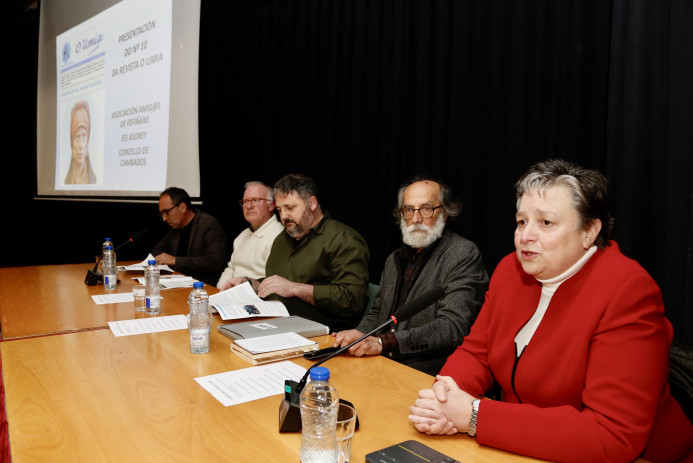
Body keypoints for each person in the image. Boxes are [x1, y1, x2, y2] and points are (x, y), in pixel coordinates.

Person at [408, 159, 693, 462]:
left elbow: (613, 435)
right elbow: (478, 352)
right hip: (520, 448)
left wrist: (475, 416)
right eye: (521, 221)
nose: (526, 235)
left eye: (546, 223)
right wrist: (446, 396)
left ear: (589, 232)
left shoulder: (628, 292)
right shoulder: (510, 269)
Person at [332, 178, 489, 375]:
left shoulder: (462, 254)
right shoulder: (394, 259)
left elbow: (451, 328)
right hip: (380, 365)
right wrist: (360, 333)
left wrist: (383, 342)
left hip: (428, 374)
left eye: (426, 209)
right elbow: (379, 312)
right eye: (409, 210)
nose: (415, 219)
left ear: (445, 213)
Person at [224, 174, 370, 331]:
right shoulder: (283, 239)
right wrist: (250, 283)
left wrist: (296, 288)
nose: (284, 216)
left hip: (324, 332)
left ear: (312, 203)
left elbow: (352, 299)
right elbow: (279, 283)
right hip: (275, 322)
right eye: (280, 210)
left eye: (290, 208)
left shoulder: (343, 238)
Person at [151, 187, 228, 286]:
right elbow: (157, 251)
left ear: (182, 207)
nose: (164, 219)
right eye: (162, 214)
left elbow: (215, 261)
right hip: (177, 282)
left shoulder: (208, 224)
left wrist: (175, 260)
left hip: (202, 286)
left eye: (166, 212)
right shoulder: (175, 227)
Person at [217, 181, 284, 289]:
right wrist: (220, 291)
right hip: (230, 297)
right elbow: (231, 269)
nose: (248, 206)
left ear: (271, 205)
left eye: (255, 200)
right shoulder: (241, 236)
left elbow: (275, 283)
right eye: (245, 201)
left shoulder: (279, 237)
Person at [64, 100, 97, 184]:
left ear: (88, 141)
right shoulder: (66, 181)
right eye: (77, 137)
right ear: (72, 143)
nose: (80, 146)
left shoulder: (94, 180)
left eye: (84, 137)